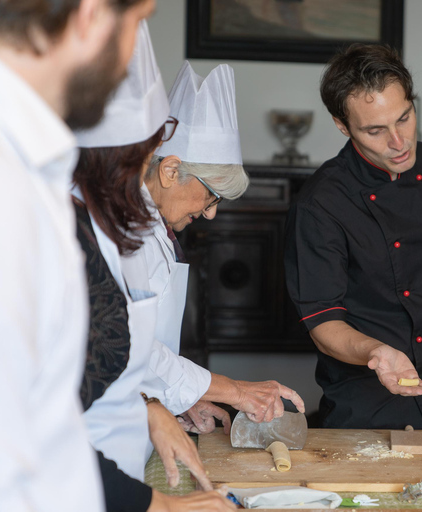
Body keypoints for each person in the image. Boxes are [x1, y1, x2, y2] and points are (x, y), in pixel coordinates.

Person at [284, 43, 422, 430]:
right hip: (369, 409)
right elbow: (322, 324)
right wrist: (378, 353)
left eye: (404, 118)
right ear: (342, 125)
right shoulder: (322, 204)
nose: (399, 142)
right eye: (375, 130)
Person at [0, 0, 153, 510]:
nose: (128, 62)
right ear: (90, 15)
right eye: (138, 23)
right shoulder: (5, 187)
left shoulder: (28, 166)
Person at [73, 20, 235, 511]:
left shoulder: (115, 221)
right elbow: (37, 419)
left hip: (116, 477)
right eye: (151, 147)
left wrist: (157, 407)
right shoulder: (58, 233)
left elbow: (127, 360)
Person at [121, 60, 305, 439]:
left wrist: (181, 399)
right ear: (170, 170)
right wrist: (235, 391)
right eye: (210, 195)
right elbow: (130, 347)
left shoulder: (156, 225)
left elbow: (151, 358)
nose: (211, 213)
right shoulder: (126, 232)